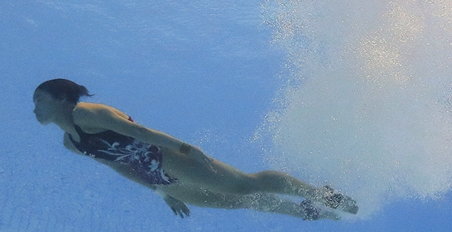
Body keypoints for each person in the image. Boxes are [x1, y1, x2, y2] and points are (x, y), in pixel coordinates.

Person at [32, 79, 357, 221]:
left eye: (40, 101)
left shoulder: (87, 114)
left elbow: (139, 132)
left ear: (62, 99)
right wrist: (161, 192)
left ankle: (319, 194)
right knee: (235, 202)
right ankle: (304, 212)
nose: (35, 109)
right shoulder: (70, 144)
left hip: (168, 158)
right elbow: (117, 166)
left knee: (245, 184)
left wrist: (188, 149)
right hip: (160, 179)